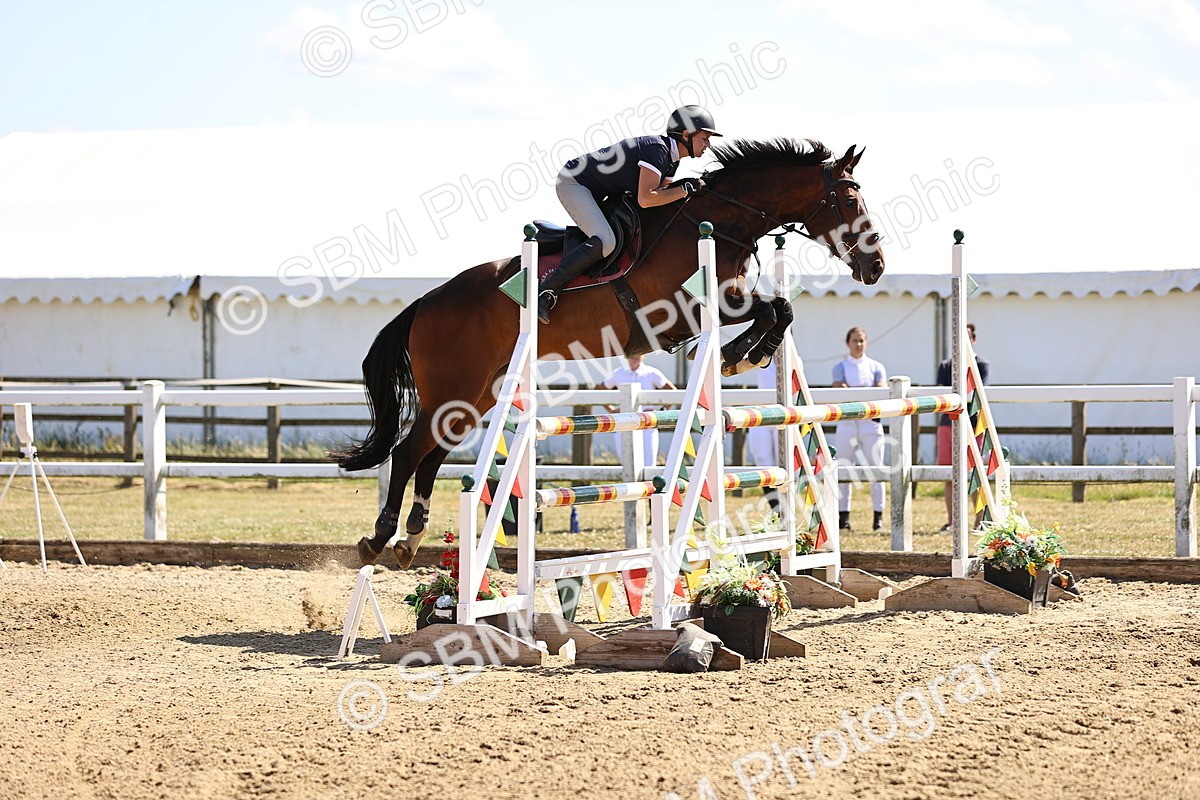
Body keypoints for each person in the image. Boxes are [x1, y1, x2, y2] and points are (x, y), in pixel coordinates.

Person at [538, 105, 722, 324]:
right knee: (606, 241)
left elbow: (661, 196)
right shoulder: (657, 150)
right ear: (686, 135)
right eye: (705, 138)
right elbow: (647, 199)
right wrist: (685, 190)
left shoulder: (671, 161)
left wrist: (686, 189)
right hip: (574, 183)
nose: (708, 145)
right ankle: (546, 290)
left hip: (597, 191)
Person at [831, 327, 888, 531]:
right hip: (847, 421)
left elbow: (881, 389)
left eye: (862, 340)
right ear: (848, 343)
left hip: (870, 421)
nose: (858, 344)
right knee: (844, 467)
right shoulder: (840, 366)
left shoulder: (876, 366)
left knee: (876, 468)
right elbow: (838, 387)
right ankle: (843, 516)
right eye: (855, 340)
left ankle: (878, 516)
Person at [937, 322, 990, 530]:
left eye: (966, 336)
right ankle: (952, 522)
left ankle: (979, 521)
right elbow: (941, 394)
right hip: (947, 423)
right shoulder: (945, 365)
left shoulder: (982, 365)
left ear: (974, 339)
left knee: (976, 475)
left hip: (974, 424)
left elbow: (978, 394)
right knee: (948, 475)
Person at [601, 355, 677, 466]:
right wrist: (612, 410)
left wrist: (662, 411)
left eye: (638, 354)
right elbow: (601, 389)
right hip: (624, 421)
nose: (635, 357)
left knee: (649, 463)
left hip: (646, 422)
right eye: (632, 354)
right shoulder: (618, 373)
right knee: (626, 464)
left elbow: (672, 391)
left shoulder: (651, 372)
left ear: (644, 355)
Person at [747, 359, 783, 516]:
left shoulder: (794, 360)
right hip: (762, 413)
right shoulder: (762, 356)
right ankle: (776, 509)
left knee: (782, 463)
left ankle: (785, 508)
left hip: (783, 413)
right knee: (763, 460)